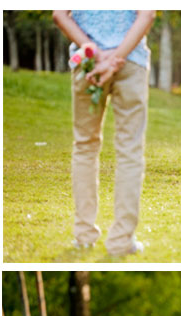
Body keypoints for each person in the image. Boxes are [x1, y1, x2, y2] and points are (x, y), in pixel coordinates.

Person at [53, 10, 155, 256]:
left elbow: (59, 14)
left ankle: (84, 236)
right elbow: (147, 14)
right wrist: (116, 58)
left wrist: (93, 50)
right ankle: (121, 241)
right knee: (130, 150)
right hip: (131, 61)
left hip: (88, 62)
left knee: (85, 146)